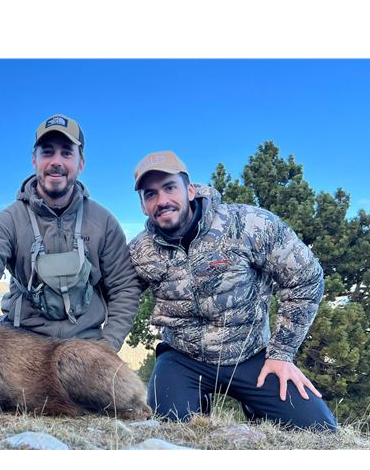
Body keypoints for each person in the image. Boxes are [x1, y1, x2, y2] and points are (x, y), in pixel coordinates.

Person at [128, 150, 337, 431]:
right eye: (150, 194)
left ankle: (257, 405)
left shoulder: (248, 224)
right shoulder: (140, 251)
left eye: (170, 188)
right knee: (171, 431)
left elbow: (306, 277)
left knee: (320, 431)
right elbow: (116, 295)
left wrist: (281, 353)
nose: (162, 200)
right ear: (143, 206)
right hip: (182, 358)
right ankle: (194, 401)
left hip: (251, 355)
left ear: (190, 190)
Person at [0, 114, 141, 353]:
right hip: (20, 347)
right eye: (47, 152)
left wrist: (108, 346)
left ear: (81, 164)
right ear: (34, 160)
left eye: (66, 153)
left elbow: (124, 287)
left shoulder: (103, 222)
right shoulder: (9, 221)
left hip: (87, 347)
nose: (56, 162)